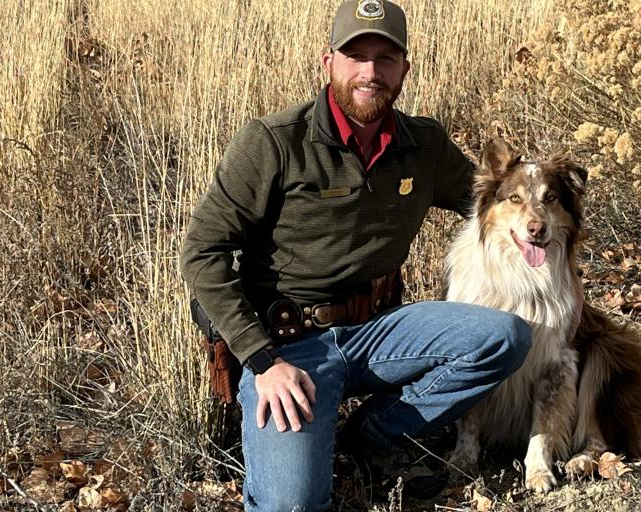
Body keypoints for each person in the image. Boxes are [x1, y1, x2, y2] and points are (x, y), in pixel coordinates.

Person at [181, 1, 532, 509]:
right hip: (288, 346)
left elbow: (492, 204)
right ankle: (306, 438)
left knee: (504, 336)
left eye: (386, 58)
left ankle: (373, 435)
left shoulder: (425, 145)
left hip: (380, 331)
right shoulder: (275, 143)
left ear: (405, 69)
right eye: (356, 56)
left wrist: (543, 230)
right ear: (329, 63)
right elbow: (201, 252)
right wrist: (261, 361)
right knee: (293, 504)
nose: (371, 72)